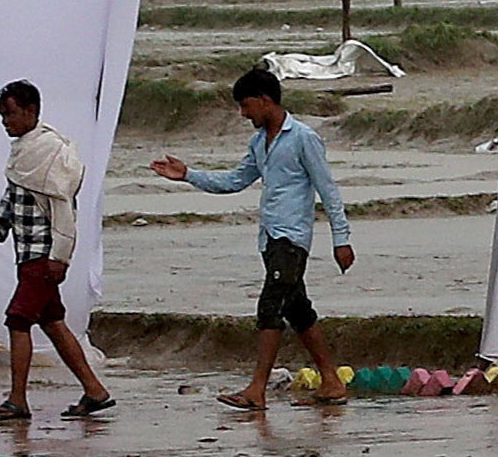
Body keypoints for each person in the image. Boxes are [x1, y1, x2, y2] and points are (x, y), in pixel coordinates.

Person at [149, 66, 351, 412]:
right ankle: (331, 381)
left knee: (269, 308)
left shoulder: (303, 138)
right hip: (270, 238)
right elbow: (235, 181)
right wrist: (188, 176)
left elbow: (328, 190)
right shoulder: (259, 143)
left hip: (292, 238)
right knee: (298, 311)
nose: (243, 114)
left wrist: (341, 239)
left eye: (246, 106)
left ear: (264, 100)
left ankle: (257, 389)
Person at [0, 80, 112, 424]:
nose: (6, 122)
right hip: (26, 255)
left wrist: (60, 257)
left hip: (42, 257)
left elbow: (64, 209)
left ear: (31, 111)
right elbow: (10, 203)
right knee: (53, 323)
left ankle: (17, 400)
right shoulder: (22, 154)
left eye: (11, 114)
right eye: (2, 116)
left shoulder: (51, 152)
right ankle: (95, 390)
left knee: (17, 321)